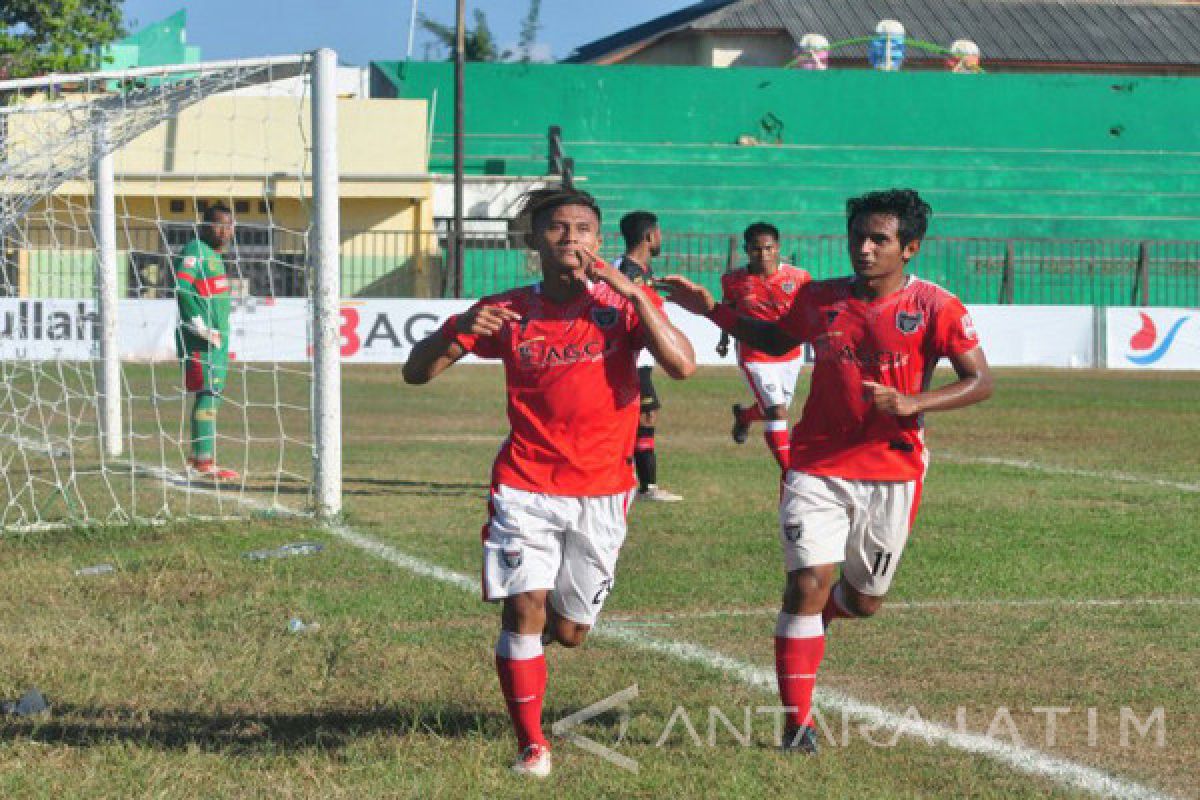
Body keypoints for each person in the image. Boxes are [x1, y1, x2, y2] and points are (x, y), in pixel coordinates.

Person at [661, 189, 992, 754]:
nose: (863, 249)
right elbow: (773, 337)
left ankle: (826, 616)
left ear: (909, 248)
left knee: (864, 601)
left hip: (893, 469)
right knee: (806, 584)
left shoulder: (939, 307)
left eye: (879, 240)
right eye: (857, 237)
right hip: (815, 463)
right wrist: (712, 310)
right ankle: (798, 725)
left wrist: (917, 403)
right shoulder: (820, 298)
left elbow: (979, 380)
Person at [403, 188, 696, 777]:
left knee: (569, 630)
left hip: (603, 493)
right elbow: (416, 372)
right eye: (558, 228)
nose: (571, 238)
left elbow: (683, 365)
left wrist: (636, 293)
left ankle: (540, 667)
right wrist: (457, 328)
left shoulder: (619, 308)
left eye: (583, 228)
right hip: (524, 485)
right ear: (532, 241)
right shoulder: (506, 310)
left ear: (600, 241)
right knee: (523, 609)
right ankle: (532, 746)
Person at [716, 222, 811, 471]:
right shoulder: (733, 280)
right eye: (757, 249)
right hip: (755, 353)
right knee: (777, 411)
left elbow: (809, 312)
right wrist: (724, 340)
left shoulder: (799, 278)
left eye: (769, 248)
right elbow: (729, 312)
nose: (763, 255)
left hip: (790, 353)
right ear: (747, 250)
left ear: (778, 248)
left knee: (774, 408)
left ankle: (745, 416)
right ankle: (790, 471)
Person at [612, 210, 682, 502]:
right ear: (649, 236)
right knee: (635, 417)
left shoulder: (639, 270)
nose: (661, 238)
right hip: (631, 358)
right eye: (659, 233)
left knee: (645, 415)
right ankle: (635, 483)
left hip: (641, 359)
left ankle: (643, 485)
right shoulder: (626, 272)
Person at [175, 203, 239, 481]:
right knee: (208, 394)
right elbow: (181, 286)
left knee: (210, 393)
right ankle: (204, 464)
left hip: (217, 340)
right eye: (218, 225)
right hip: (202, 340)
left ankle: (199, 456)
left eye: (229, 226)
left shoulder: (214, 255)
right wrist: (198, 324)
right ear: (204, 226)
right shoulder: (195, 251)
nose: (225, 231)